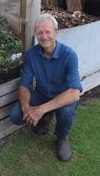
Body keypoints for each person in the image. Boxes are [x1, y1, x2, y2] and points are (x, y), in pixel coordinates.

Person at [10, 13, 82, 161]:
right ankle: (46, 116)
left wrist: (40, 109)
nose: (44, 36)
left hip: (63, 97)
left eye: (48, 32)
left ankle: (62, 138)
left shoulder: (69, 55)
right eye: (39, 33)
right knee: (16, 115)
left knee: (66, 112)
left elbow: (75, 92)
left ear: (56, 33)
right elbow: (24, 84)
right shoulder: (32, 54)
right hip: (42, 94)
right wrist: (26, 108)